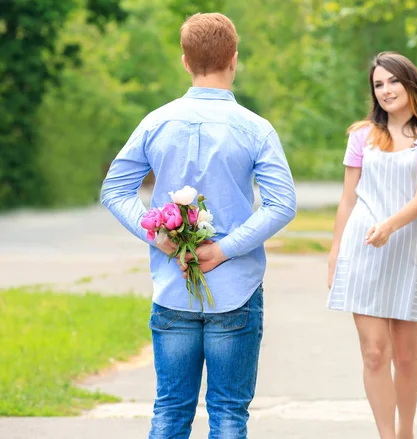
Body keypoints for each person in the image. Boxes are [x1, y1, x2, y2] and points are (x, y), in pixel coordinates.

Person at [101, 12, 296, 439]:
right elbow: (283, 204)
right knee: (228, 415)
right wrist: (225, 249)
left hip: (173, 286)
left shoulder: (156, 122)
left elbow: (115, 190)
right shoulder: (256, 129)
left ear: (186, 62)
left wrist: (162, 239)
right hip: (235, 287)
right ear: (235, 59)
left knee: (170, 412)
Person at [327, 51, 417, 439]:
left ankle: (406, 431)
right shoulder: (362, 135)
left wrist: (390, 226)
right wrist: (335, 253)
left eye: (392, 81)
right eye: (378, 84)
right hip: (362, 247)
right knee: (374, 352)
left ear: (410, 82)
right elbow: (348, 199)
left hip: (408, 247)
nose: (385, 90)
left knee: (406, 355)